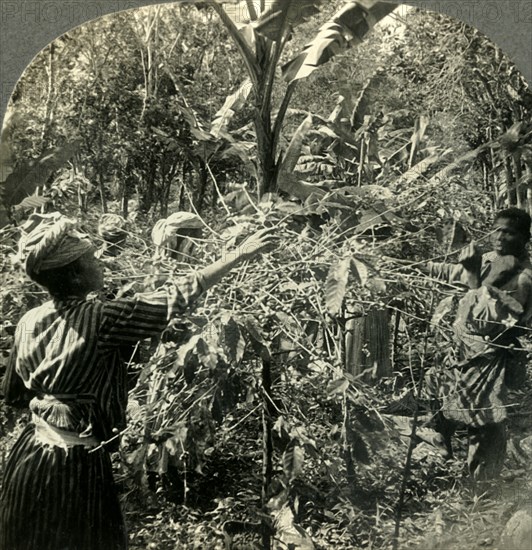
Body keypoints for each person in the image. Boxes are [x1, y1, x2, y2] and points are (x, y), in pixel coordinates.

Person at [0, 212, 275, 550]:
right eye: (89, 258)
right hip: (73, 464)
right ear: (74, 275)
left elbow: (13, 393)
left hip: (28, 456)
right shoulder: (101, 318)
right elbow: (175, 296)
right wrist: (238, 255)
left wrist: (55, 395)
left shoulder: (28, 321)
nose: (98, 261)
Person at [425, 207, 532, 481]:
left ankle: (480, 491)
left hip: (491, 359)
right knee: (442, 408)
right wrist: (417, 267)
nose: (500, 236)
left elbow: (487, 322)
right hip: (462, 353)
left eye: (509, 232)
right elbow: (454, 273)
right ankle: (441, 469)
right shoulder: (490, 260)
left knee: (484, 423)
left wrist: (473, 277)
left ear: (525, 238)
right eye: (497, 229)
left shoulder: (523, 278)